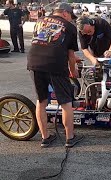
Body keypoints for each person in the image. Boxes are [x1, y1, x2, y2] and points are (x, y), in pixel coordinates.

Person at [27, 2, 83, 148]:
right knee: (65, 102)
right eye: (71, 16)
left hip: (34, 62)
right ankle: (70, 138)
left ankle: (45, 138)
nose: (71, 19)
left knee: (41, 100)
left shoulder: (40, 21)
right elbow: (71, 55)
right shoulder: (70, 27)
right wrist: (73, 71)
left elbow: (45, 42)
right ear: (65, 13)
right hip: (55, 65)